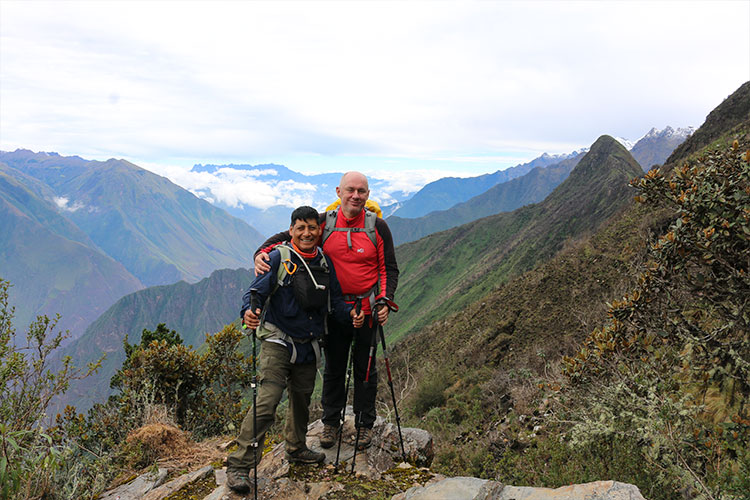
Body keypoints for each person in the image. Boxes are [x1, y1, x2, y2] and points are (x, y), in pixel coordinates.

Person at [253, 172, 399, 452]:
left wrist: (384, 300)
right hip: (332, 308)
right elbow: (289, 236)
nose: (355, 196)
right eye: (350, 190)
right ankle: (331, 422)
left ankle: (364, 425)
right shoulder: (325, 222)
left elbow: (388, 268)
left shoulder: (378, 227)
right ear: (338, 192)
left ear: (368, 194)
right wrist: (261, 252)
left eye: (361, 191)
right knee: (334, 367)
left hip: (367, 308)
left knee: (365, 369)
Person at [226, 206, 365, 494]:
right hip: (278, 342)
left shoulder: (325, 264)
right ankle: (239, 465)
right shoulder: (278, 258)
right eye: (300, 228)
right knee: (267, 402)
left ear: (319, 230)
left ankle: (296, 447)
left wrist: (352, 313)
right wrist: (248, 312)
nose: (306, 233)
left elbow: (335, 303)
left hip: (309, 345)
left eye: (312, 228)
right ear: (291, 231)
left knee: (301, 401)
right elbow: (255, 293)